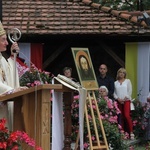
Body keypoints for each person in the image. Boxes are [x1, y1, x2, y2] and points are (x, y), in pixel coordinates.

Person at [0, 21, 27, 130]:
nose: (7, 43)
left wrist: (13, 55)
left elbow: (9, 74)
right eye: (3, 40)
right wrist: (11, 91)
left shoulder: (1, 59)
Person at [113, 67, 134, 139]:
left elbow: (130, 91)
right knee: (120, 116)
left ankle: (131, 132)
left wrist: (126, 98)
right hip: (119, 101)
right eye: (120, 72)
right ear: (118, 73)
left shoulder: (127, 81)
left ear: (125, 74)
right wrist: (118, 99)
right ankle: (122, 132)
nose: (121, 74)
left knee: (126, 115)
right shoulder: (115, 83)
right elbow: (114, 93)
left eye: (123, 73)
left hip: (126, 100)